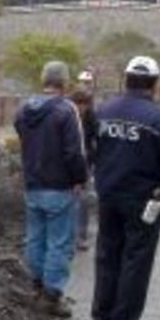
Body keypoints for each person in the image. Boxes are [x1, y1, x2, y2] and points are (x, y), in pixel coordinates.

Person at [92, 56, 160, 320]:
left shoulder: (104, 111)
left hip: (108, 195)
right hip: (143, 200)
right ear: (155, 84)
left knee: (107, 254)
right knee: (136, 258)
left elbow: (93, 149)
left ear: (126, 79)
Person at [14, 61, 88, 318]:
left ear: (43, 80)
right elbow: (74, 152)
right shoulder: (67, 111)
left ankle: (35, 286)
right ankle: (52, 296)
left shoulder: (23, 109)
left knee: (36, 238)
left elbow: (22, 138)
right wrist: (80, 178)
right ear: (64, 83)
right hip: (60, 187)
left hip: (33, 184)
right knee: (59, 242)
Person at [71, 85, 98, 251]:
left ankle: (81, 236)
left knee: (83, 201)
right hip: (67, 165)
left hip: (85, 164)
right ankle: (67, 235)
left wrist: (93, 159)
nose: (82, 107)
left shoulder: (91, 117)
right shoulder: (66, 116)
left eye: (85, 103)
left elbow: (97, 139)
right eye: (78, 103)